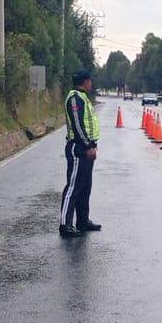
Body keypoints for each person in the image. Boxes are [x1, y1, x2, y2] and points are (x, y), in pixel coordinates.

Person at [59, 70, 101, 238]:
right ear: (85, 82)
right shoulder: (75, 98)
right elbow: (77, 125)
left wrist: (92, 145)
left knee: (85, 187)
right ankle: (65, 224)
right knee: (73, 187)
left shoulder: (83, 97)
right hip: (79, 148)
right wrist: (88, 146)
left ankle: (82, 221)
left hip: (87, 148)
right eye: (90, 81)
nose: (91, 84)